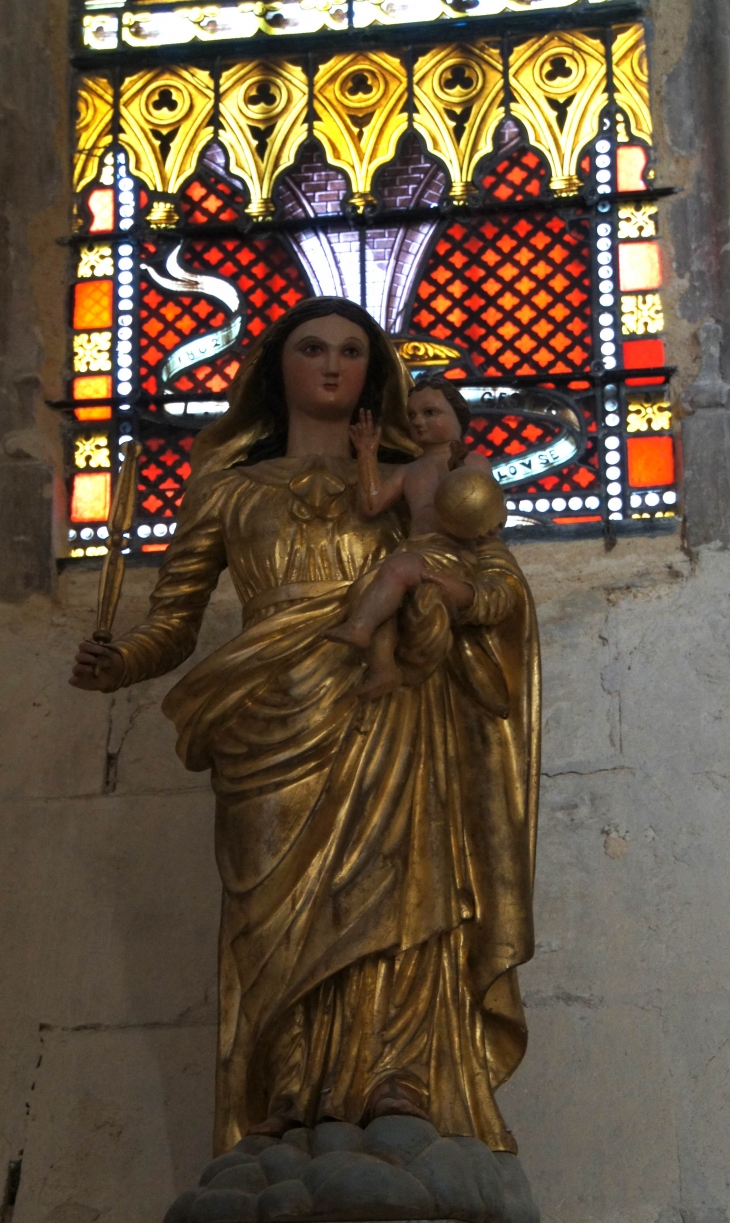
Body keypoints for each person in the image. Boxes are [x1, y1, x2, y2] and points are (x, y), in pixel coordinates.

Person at [70, 297, 540, 1156]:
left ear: (376, 373)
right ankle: (285, 1089)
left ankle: (397, 1076)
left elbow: (497, 582)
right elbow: (173, 622)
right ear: (274, 366)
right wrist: (122, 662)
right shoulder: (229, 489)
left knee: (395, 891)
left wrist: (446, 602)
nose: (331, 365)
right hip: (268, 717)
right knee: (274, 912)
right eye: (312, 348)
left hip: (388, 705)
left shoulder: (416, 477)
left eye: (352, 352)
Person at [326, 376, 507, 699]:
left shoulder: (472, 463)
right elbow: (371, 504)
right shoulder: (411, 471)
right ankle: (383, 669)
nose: (418, 422)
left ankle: (360, 628)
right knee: (369, 590)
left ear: (456, 416)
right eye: (412, 416)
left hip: (452, 553)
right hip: (416, 550)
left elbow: (485, 507)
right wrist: (367, 453)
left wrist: (489, 518)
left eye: (430, 413)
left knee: (394, 573)